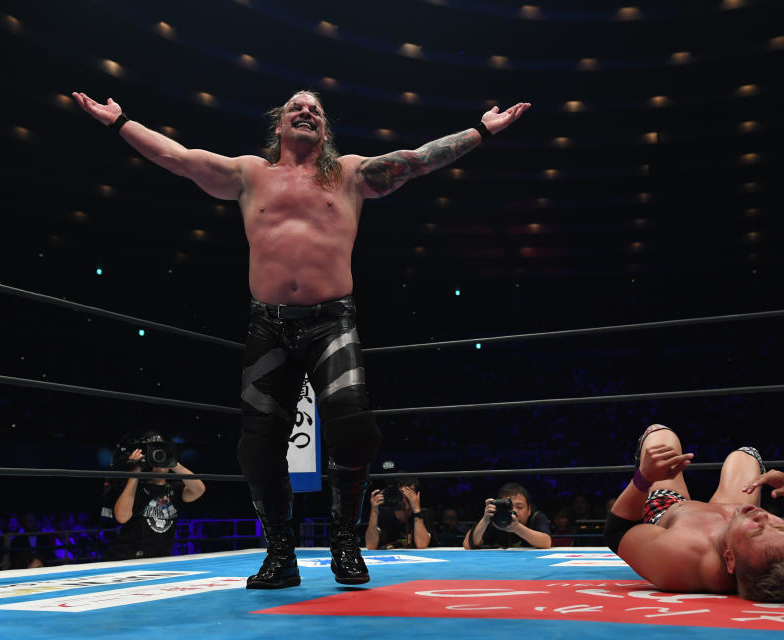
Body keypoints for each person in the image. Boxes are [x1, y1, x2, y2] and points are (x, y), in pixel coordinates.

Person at [72, 88, 530, 587]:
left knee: (355, 429)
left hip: (332, 320)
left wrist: (481, 129)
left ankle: (346, 540)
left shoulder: (351, 174)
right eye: (296, 107)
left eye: (315, 109)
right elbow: (178, 158)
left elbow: (418, 160)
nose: (306, 111)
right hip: (268, 324)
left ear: (326, 131)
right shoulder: (249, 174)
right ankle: (280, 553)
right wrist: (119, 122)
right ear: (279, 126)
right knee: (257, 447)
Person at [606, 424, 784, 602]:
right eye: (779, 525)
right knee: (745, 455)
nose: (763, 516)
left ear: (730, 559)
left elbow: (618, 532)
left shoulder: (681, 559)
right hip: (734, 510)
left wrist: (643, 479)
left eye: (756, 532)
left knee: (660, 437)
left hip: (673, 510)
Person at [106, 432, 206, 560]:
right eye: (154, 454)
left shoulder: (175, 489)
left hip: (159, 561)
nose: (158, 459)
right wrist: (135, 471)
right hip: (128, 558)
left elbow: (199, 490)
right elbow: (121, 517)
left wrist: (173, 462)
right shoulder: (134, 487)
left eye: (161, 453)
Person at [464, 482, 552, 549]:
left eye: (519, 507)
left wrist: (517, 528)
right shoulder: (494, 518)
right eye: (508, 506)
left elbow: (546, 543)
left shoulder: (536, 518)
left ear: (529, 509)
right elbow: (468, 545)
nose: (514, 510)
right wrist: (485, 520)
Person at [365, 477, 434, 549]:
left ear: (417, 495)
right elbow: (371, 546)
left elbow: (421, 545)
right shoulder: (384, 514)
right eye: (401, 492)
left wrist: (416, 510)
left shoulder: (424, 513)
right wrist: (374, 510)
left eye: (409, 490)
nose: (405, 495)